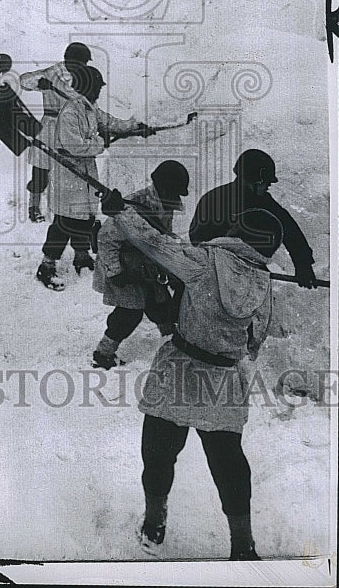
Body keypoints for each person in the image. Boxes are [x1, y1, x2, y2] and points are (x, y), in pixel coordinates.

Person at [109, 203, 281, 560]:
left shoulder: (205, 261)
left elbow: (154, 243)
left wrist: (120, 212)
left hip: (180, 373)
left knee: (157, 454)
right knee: (228, 463)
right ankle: (243, 545)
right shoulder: (264, 284)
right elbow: (254, 343)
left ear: (240, 234)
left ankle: (155, 524)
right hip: (223, 383)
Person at [91, 161, 190, 369]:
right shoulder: (136, 206)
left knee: (160, 302)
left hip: (145, 266)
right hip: (123, 265)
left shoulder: (163, 203)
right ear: (163, 188)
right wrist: (115, 271)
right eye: (175, 192)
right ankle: (103, 353)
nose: (177, 199)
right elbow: (105, 238)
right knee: (129, 313)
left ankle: (171, 343)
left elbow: (158, 238)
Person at [189, 148, 317, 288]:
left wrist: (303, 264)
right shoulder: (214, 200)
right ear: (253, 181)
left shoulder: (263, 201)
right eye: (266, 182)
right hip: (214, 277)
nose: (268, 186)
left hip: (248, 276)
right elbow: (197, 239)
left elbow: (288, 228)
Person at [36, 65, 108, 290]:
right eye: (96, 88)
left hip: (83, 175)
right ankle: (46, 266)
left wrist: (135, 126)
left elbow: (109, 121)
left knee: (84, 218)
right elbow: (74, 145)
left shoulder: (89, 107)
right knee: (65, 223)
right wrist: (99, 143)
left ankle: (82, 256)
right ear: (88, 88)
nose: (99, 92)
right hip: (69, 175)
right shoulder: (70, 111)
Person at [20, 42, 92, 220]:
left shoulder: (85, 77)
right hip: (50, 127)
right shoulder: (52, 73)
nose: (84, 66)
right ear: (70, 60)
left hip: (73, 127)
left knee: (73, 172)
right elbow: (24, 81)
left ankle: (68, 211)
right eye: (82, 62)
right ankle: (34, 206)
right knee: (41, 171)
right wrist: (40, 82)